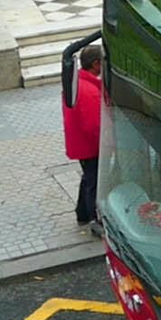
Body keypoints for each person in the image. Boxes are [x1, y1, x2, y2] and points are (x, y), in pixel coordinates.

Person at [62, 43, 104, 233]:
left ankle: (82, 214)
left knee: (87, 178)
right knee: (93, 181)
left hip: (79, 143)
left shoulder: (76, 81)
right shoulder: (90, 91)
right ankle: (94, 219)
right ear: (96, 64)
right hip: (90, 146)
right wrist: (106, 146)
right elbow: (94, 126)